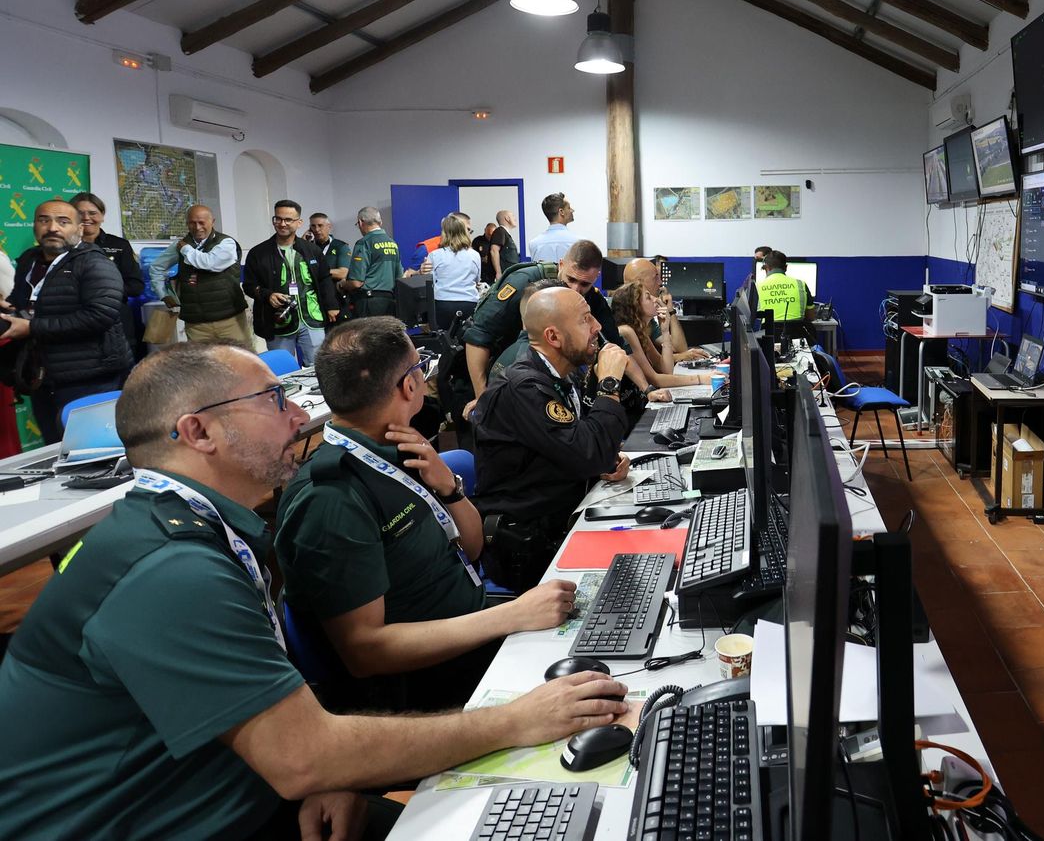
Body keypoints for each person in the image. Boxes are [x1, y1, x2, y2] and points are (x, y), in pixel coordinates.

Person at [0, 344, 627, 841]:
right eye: (275, 399)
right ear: (198, 432)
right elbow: (301, 753)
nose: (302, 416)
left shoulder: (206, 532)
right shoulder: (169, 568)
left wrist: (321, 774)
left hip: (245, 793)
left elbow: (288, 739)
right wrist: (515, 721)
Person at [274, 318, 576, 713]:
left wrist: (448, 488)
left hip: (469, 630)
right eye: (420, 368)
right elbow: (367, 652)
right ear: (409, 385)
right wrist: (511, 616)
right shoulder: (331, 498)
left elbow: (469, 550)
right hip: (424, 687)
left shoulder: (398, 449)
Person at [472, 287, 632, 590]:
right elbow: (589, 452)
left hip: (558, 523)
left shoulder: (562, 375)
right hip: (528, 548)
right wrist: (609, 383)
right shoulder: (525, 388)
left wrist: (605, 458)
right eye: (586, 320)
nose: (598, 327)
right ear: (553, 337)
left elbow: (578, 445)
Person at [1, 200, 132, 443]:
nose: (52, 228)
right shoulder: (29, 261)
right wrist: (13, 309)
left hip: (91, 380)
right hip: (44, 377)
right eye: (44, 220)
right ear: (34, 226)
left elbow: (100, 316)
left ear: (79, 229)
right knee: (56, 450)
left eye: (63, 222)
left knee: (93, 456)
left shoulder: (94, 262)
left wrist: (31, 327)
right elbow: (26, 301)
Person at [464, 239, 618, 398]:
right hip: (499, 373)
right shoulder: (523, 281)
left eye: (584, 284)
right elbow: (478, 335)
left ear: (595, 277)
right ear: (561, 264)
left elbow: (615, 342)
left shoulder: (591, 295)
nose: (575, 289)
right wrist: (482, 396)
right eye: (571, 279)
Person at [241, 200, 338, 367]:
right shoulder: (258, 253)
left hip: (312, 318)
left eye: (288, 220)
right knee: (283, 370)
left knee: (319, 368)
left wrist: (331, 305)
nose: (282, 224)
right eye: (278, 219)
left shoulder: (311, 250)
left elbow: (324, 278)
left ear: (299, 223)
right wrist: (267, 295)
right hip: (278, 321)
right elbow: (249, 285)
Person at [148, 204, 253, 348]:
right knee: (202, 367)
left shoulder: (226, 243)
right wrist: (163, 294)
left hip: (230, 321)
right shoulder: (180, 245)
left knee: (241, 364)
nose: (197, 227)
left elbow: (209, 262)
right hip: (196, 325)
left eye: (202, 222)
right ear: (187, 223)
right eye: (192, 223)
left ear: (212, 222)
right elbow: (156, 267)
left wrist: (185, 250)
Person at [70, 191, 146, 357]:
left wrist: (102, 292)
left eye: (92, 213)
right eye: (80, 213)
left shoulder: (120, 245)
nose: (86, 217)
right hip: (75, 320)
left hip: (115, 320)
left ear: (102, 216)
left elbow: (136, 286)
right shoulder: (63, 247)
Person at [610, 281, 714, 392]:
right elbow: (655, 380)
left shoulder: (640, 331)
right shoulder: (626, 332)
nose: (656, 299)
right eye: (648, 297)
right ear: (635, 306)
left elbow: (666, 370)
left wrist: (665, 332)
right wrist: (700, 379)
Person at [622, 256, 705, 366]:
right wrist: (681, 357)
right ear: (639, 283)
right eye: (656, 277)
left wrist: (670, 310)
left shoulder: (646, 316)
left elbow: (679, 348)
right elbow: (644, 362)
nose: (660, 283)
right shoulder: (622, 316)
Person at [416, 213, 481, 330]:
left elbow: (430, 283)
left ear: (444, 233)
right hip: (469, 303)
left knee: (443, 341)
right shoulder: (475, 255)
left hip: (443, 304)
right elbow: (477, 280)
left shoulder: (434, 255)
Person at [340, 206, 402, 319]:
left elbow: (356, 282)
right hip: (389, 303)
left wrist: (342, 284)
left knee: (368, 336)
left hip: (368, 303)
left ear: (360, 222)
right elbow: (399, 277)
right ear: (380, 222)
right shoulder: (393, 243)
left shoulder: (364, 243)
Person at [757, 250, 813, 329]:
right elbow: (811, 316)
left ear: (766, 268)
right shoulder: (801, 284)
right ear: (786, 267)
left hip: (769, 337)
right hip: (797, 336)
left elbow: (756, 317)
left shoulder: (758, 286)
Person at [526, 193, 577, 262]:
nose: (572, 210)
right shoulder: (578, 243)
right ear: (561, 212)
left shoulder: (534, 244)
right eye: (569, 208)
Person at [488, 209, 519, 280]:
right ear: (507, 218)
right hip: (504, 276)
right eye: (513, 216)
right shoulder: (500, 231)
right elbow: (494, 251)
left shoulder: (505, 233)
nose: (515, 219)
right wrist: (498, 273)